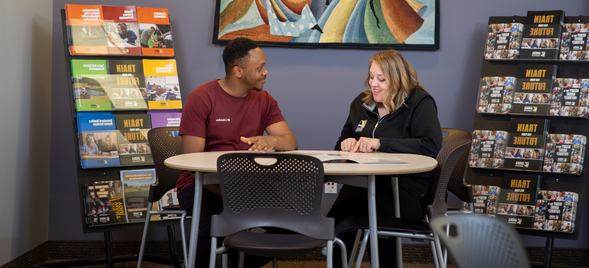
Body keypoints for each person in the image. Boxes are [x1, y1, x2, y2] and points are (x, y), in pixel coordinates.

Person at [176, 37, 298, 268]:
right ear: (238, 71)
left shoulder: (264, 99)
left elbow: (290, 142)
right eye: (260, 68)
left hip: (246, 185)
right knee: (210, 227)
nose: (266, 72)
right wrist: (232, 196)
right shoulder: (201, 98)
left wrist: (271, 139)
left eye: (264, 66)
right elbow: (191, 164)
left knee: (291, 224)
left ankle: (235, 263)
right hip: (202, 185)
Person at [327, 50, 442, 268]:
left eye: (382, 79)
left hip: (409, 189)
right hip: (365, 184)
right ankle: (336, 259)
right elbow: (339, 145)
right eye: (371, 77)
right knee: (341, 214)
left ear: (398, 79)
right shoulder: (360, 104)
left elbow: (430, 146)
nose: (374, 85)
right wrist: (347, 144)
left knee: (365, 207)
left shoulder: (419, 101)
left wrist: (381, 142)